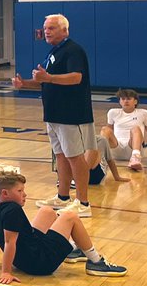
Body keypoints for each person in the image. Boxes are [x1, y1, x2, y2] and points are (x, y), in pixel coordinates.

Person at [0, 167, 127, 280]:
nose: (24, 195)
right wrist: (6, 272)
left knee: (47, 211)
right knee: (70, 216)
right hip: (39, 264)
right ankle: (96, 262)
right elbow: (10, 243)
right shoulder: (13, 210)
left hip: (28, 256)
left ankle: (72, 251)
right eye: (19, 191)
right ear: (5, 193)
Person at [13, 13, 96, 217]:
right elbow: (46, 81)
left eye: (51, 28)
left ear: (65, 30)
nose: (46, 32)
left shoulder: (73, 51)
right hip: (53, 114)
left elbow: (76, 78)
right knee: (60, 156)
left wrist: (48, 77)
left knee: (75, 157)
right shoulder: (54, 52)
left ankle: (83, 202)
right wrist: (25, 83)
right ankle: (63, 197)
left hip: (71, 114)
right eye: (45, 28)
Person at [97, 88, 147, 176]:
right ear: (120, 101)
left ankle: (135, 158)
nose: (126, 101)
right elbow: (107, 134)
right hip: (116, 148)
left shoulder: (143, 113)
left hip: (133, 147)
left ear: (135, 101)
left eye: (129, 99)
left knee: (135, 128)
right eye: (123, 99)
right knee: (105, 129)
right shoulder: (113, 112)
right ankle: (99, 159)